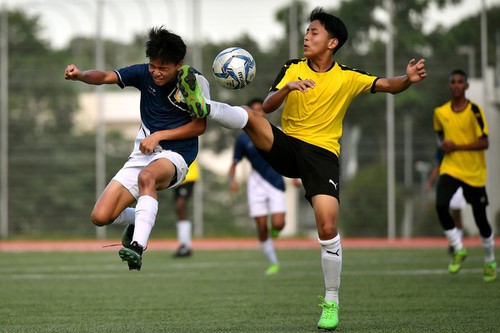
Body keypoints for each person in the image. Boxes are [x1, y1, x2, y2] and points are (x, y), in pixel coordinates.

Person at [177, 7, 427, 330]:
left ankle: (331, 301)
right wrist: (287, 89)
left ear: (333, 42)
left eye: (314, 32)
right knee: (251, 117)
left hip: (322, 157)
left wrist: (407, 79)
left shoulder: (347, 77)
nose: (307, 37)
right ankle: (205, 106)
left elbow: (387, 85)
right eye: (307, 32)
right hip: (286, 145)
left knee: (326, 227)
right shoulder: (292, 68)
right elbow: (266, 107)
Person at [64, 27, 209, 271]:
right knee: (101, 217)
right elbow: (106, 77)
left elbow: (199, 126)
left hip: (177, 155)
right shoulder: (144, 74)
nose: (156, 72)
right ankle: (142, 218)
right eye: (153, 65)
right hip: (143, 152)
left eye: (163, 68)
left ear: (179, 64)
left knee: (147, 177)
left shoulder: (194, 82)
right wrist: (80, 75)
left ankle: (137, 245)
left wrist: (160, 135)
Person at [433, 69, 496, 282]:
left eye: (461, 82)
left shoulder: (475, 111)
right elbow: (441, 140)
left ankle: (489, 260)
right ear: (450, 86)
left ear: (466, 86)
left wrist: (457, 146)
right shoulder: (440, 112)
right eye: (454, 82)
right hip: (451, 168)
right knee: (441, 205)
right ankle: (458, 248)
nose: (457, 85)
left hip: (474, 172)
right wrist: (444, 146)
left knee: (481, 219)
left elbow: (484, 142)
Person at [229, 98, 286, 275]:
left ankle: (275, 231)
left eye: (260, 111)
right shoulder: (243, 139)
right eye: (254, 111)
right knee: (261, 227)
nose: (258, 114)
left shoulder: (277, 132)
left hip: (276, 181)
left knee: (278, 223)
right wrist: (233, 180)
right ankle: (273, 262)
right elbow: (234, 164)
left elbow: (291, 156)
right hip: (256, 183)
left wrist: (297, 177)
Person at [426, 148, 466, 253]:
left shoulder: (460, 144)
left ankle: (457, 243)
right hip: (446, 183)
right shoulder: (442, 148)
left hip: (460, 181)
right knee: (443, 211)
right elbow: (438, 166)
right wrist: (430, 182)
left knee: (456, 213)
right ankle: (454, 241)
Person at [172, 158, 199, 258]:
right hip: (177, 177)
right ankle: (184, 244)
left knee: (180, 206)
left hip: (188, 176)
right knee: (179, 209)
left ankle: (185, 245)